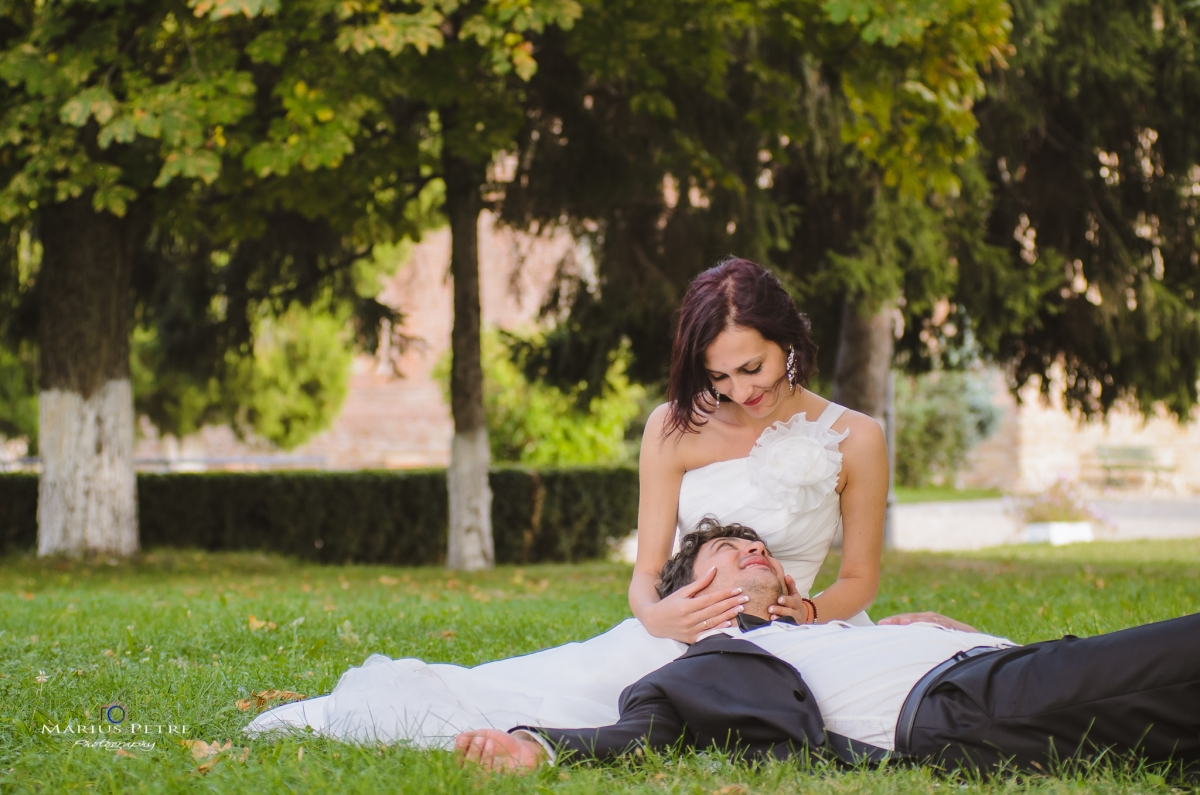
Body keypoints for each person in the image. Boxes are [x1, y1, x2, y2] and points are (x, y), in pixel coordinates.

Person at [246, 258, 888, 746]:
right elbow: (646, 572)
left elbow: (858, 580)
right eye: (717, 376)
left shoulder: (856, 437)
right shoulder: (673, 427)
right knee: (563, 695)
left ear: (788, 340)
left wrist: (804, 612)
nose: (737, 390)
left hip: (802, 634)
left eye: (752, 368)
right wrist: (655, 618)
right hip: (681, 629)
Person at [456, 520, 1200, 775]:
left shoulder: (829, 630)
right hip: (965, 707)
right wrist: (537, 747)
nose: (754, 549)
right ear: (690, 584)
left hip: (1003, 670)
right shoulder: (707, 663)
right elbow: (640, 731)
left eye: (759, 546)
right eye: (728, 547)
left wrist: (952, 633)